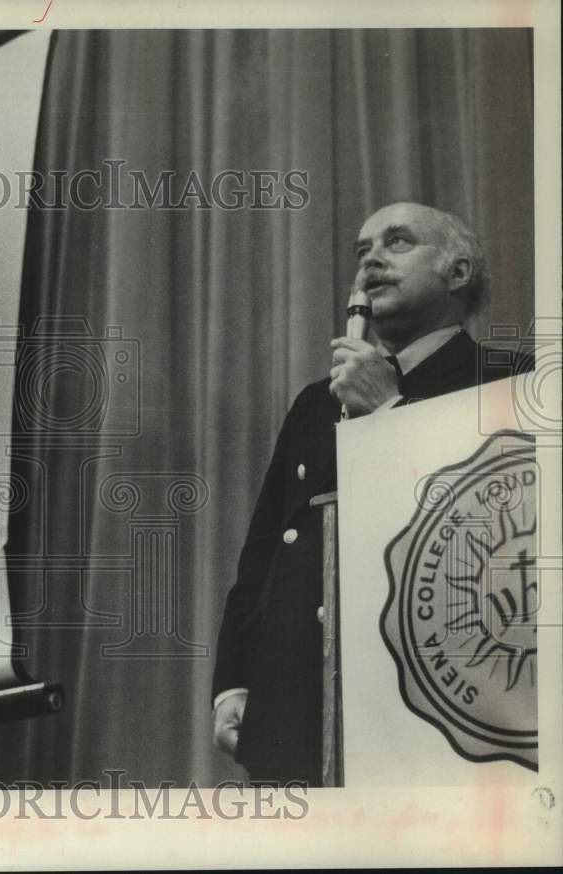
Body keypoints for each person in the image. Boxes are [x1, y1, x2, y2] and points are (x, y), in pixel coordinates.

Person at [211, 201, 531, 785]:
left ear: (458, 273)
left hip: (431, 713)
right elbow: (265, 554)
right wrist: (234, 679)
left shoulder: (515, 381)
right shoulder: (316, 400)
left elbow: (494, 540)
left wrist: (390, 412)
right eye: (363, 251)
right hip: (294, 707)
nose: (371, 262)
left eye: (398, 242)